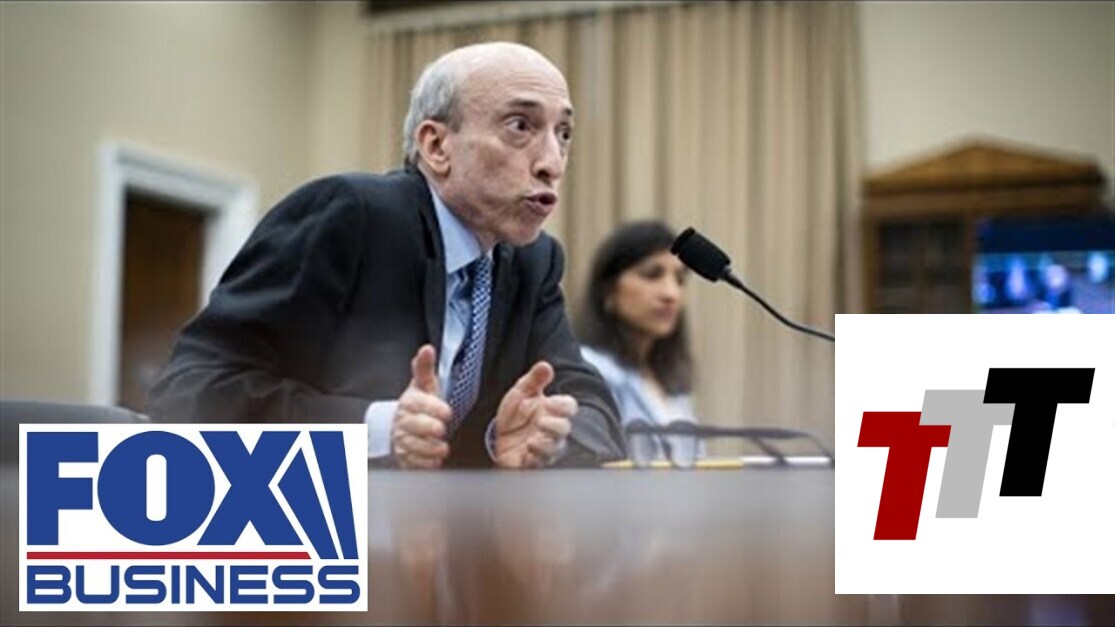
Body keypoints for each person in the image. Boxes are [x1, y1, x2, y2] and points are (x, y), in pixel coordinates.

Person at [148, 42, 626, 469]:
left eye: (564, 133)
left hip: (445, 533)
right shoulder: (351, 216)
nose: (551, 162)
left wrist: (540, 436)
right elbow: (188, 392)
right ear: (436, 146)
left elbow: (598, 415)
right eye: (520, 126)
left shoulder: (533, 261)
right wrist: (377, 429)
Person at [575, 221, 700, 462]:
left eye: (680, 279)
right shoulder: (588, 371)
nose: (671, 293)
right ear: (608, 291)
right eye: (652, 275)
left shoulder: (670, 379)